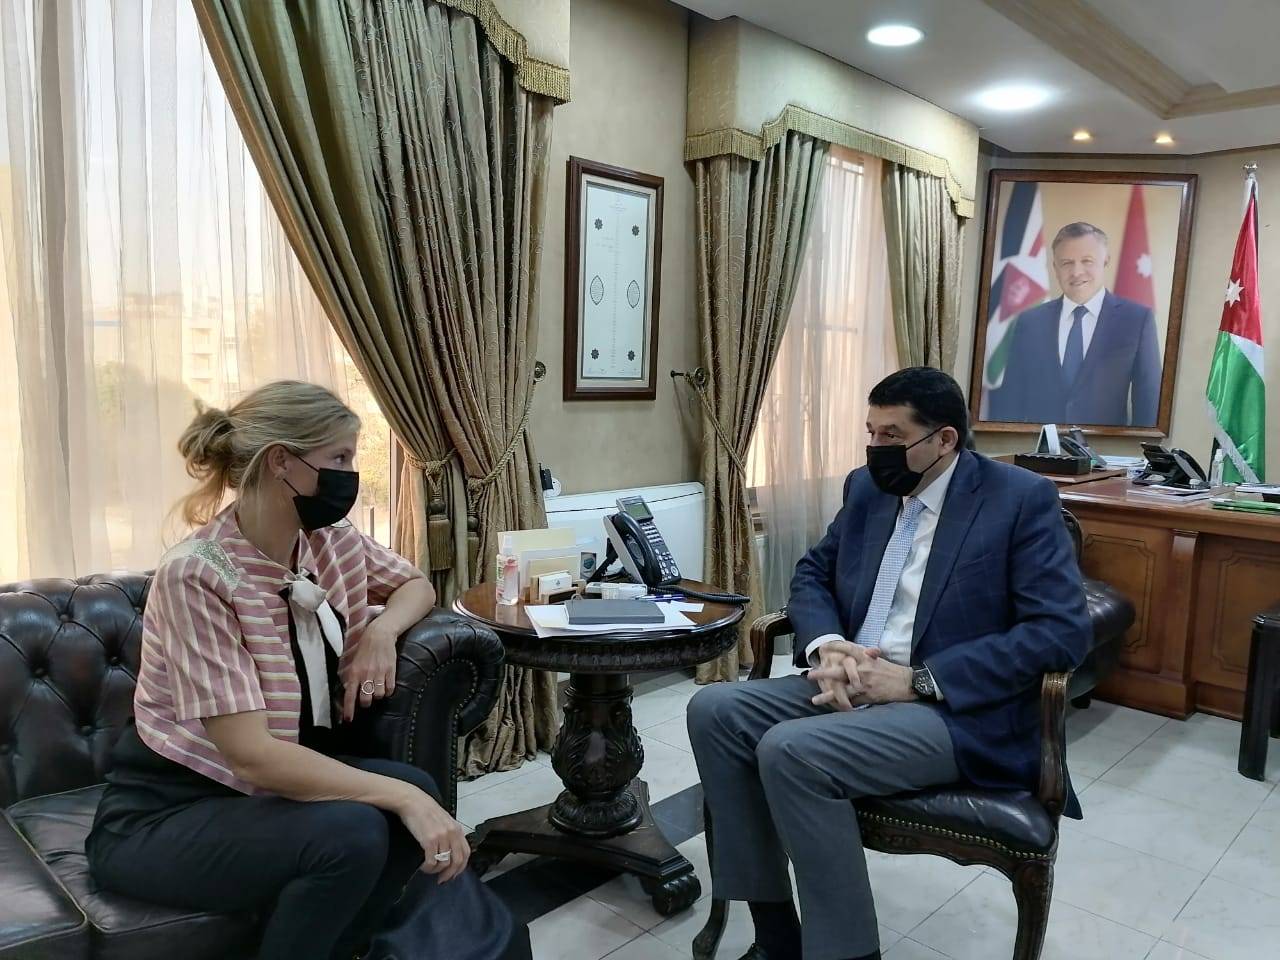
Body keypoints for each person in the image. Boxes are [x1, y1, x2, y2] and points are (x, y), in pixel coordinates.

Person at [687, 367, 1092, 960]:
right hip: (857, 677)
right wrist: (828, 645)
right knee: (714, 709)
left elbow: (1060, 633)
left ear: (945, 439)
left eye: (892, 436)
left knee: (791, 751)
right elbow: (813, 573)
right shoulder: (867, 489)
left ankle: (847, 954)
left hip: (956, 710)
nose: (876, 449)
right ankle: (776, 935)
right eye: (871, 433)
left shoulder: (1018, 499)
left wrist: (918, 680)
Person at [86, 381, 471, 960]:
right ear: (281, 462)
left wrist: (381, 635)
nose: (350, 475)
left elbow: (415, 585)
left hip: (257, 793)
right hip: (169, 810)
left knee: (415, 791)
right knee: (358, 830)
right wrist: (402, 799)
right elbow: (251, 756)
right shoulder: (199, 573)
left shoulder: (330, 541)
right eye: (338, 458)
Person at [988, 221, 1162, 426]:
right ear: (1055, 268)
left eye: (1087, 261)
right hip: (1039, 445)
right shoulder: (1030, 322)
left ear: (1105, 260)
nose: (1076, 272)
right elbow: (1009, 403)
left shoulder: (1137, 320)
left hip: (1108, 446)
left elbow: (1149, 404)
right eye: (1067, 263)